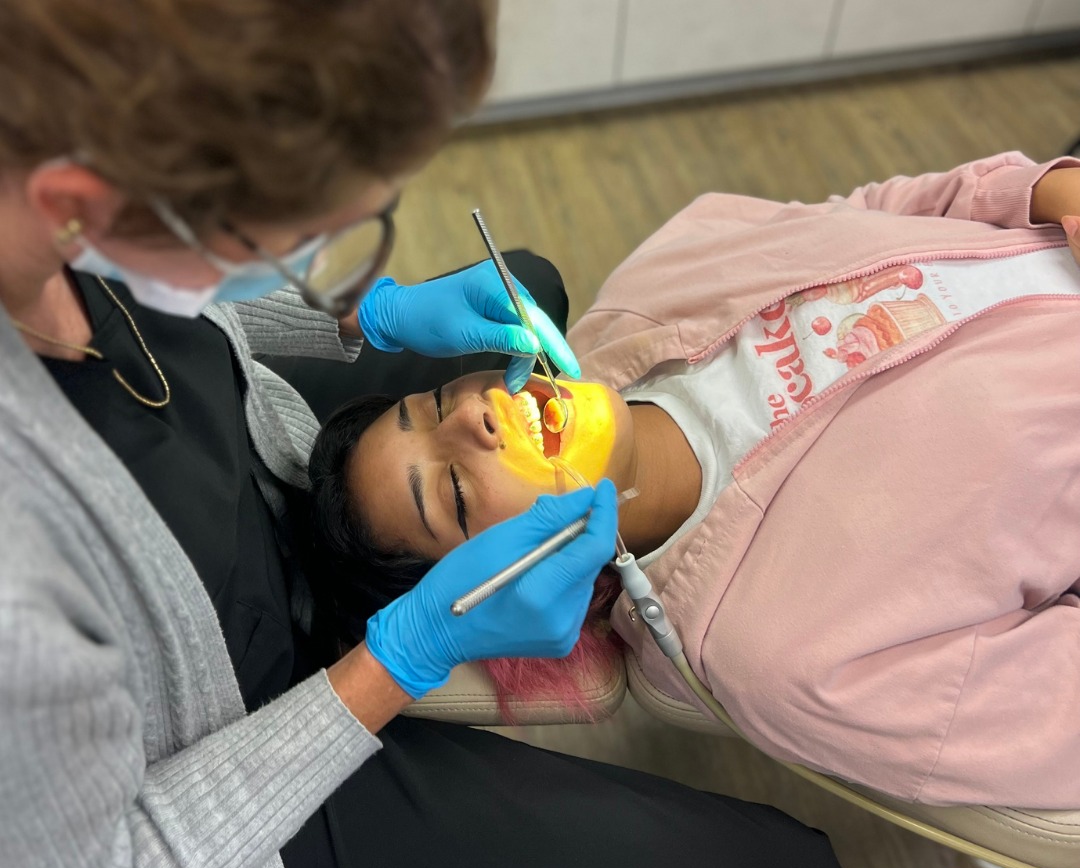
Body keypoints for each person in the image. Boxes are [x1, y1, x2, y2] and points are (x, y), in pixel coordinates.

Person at [0, 3, 860, 868]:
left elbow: (186, 324)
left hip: (259, 543)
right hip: (225, 847)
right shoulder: (17, 588)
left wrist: (371, 318)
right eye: (286, 238)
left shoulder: (53, 198)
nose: (482, 407)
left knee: (530, 287)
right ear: (82, 201)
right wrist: (399, 657)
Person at [313, 151, 1080, 813]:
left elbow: (887, 211)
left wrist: (1046, 191)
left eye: (440, 402)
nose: (476, 418)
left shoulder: (659, 277)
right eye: (452, 493)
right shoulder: (786, 652)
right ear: (504, 585)